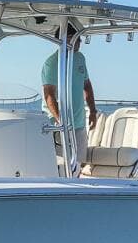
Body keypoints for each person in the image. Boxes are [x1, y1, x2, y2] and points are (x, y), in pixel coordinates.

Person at [41, 31, 98, 169]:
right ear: (65, 39)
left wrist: (93, 111)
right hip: (58, 125)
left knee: (79, 164)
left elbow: (86, 85)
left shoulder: (80, 58)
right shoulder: (52, 63)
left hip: (78, 123)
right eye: (77, 38)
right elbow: (49, 96)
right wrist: (61, 121)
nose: (80, 42)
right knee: (61, 166)